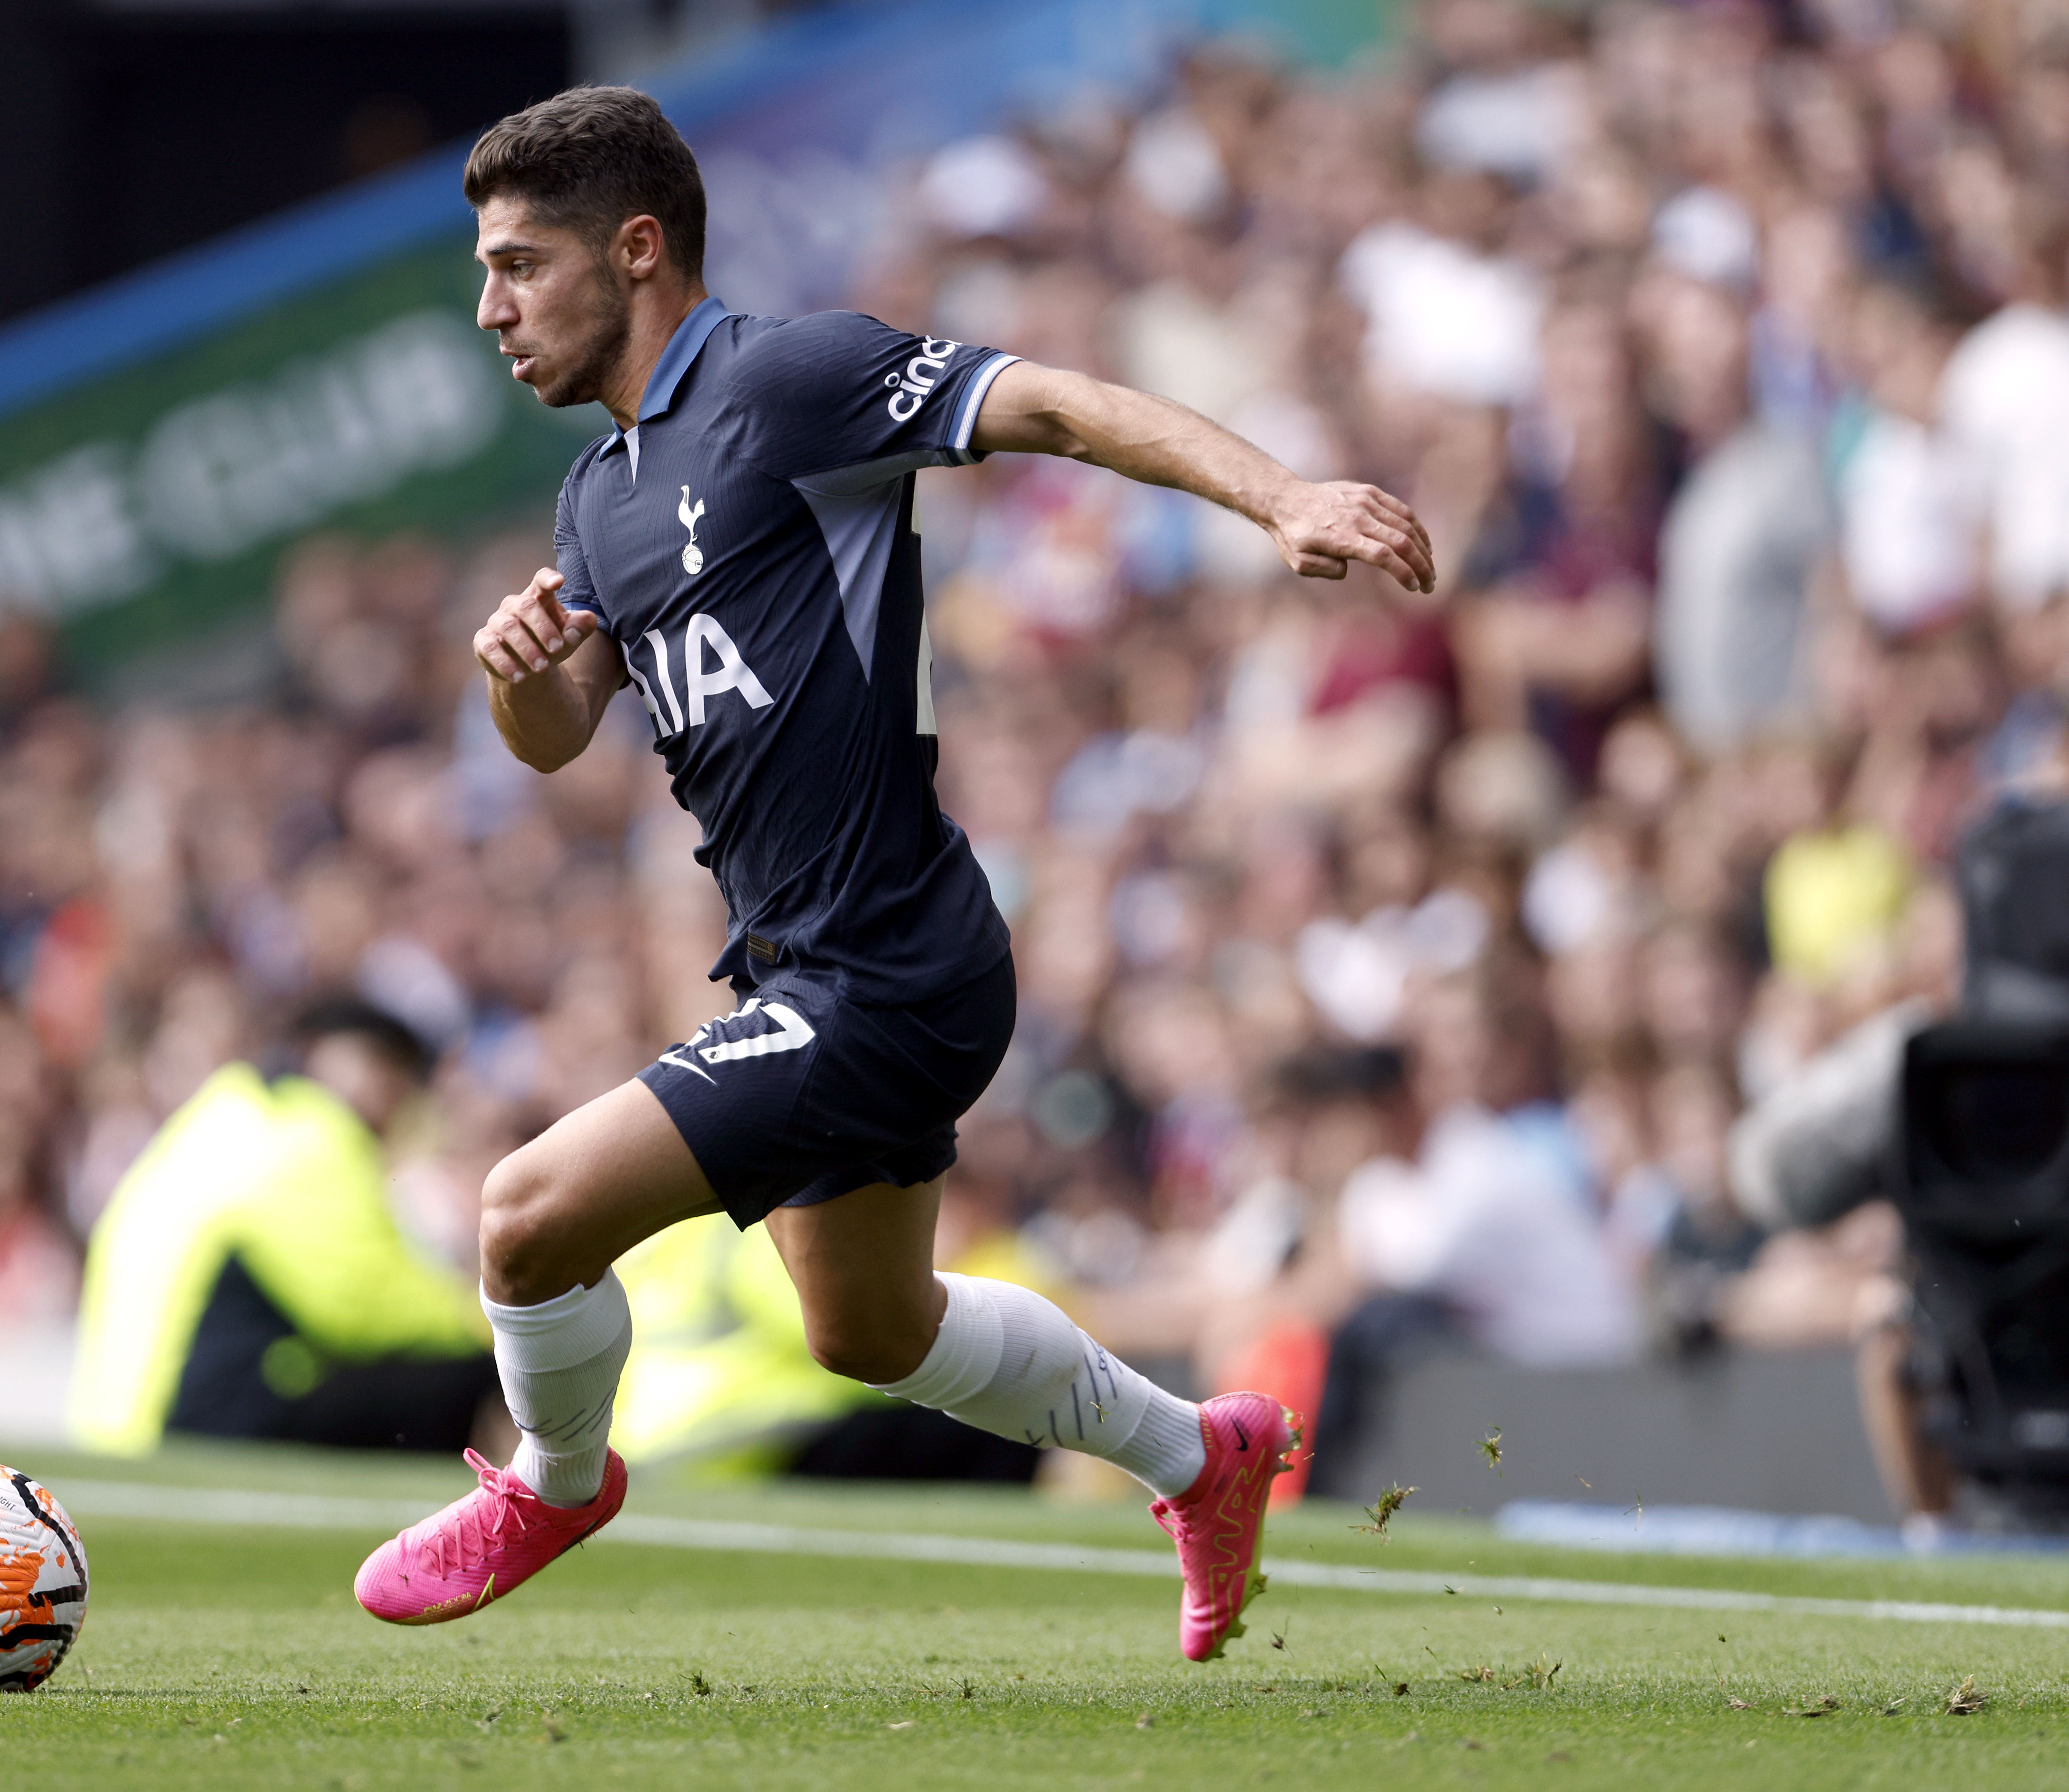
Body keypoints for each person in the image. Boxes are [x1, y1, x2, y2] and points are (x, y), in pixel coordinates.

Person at [353, 85, 1436, 1662]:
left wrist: (1278, 497)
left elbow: (1051, 406)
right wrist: (521, 670)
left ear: (635, 248)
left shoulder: (787, 382)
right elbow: (554, 733)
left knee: (524, 1218)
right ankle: (1201, 1459)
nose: (489, 307)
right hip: (805, 968)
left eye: (518, 264)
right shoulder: (601, 495)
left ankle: (556, 1483)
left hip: (888, 962)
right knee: (869, 1330)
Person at [67, 999, 494, 1456]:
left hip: (114, 1424)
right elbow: (367, 1304)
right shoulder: (308, 1135)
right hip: (186, 1424)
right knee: (469, 1372)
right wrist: (497, 1329)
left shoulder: (226, 1117)